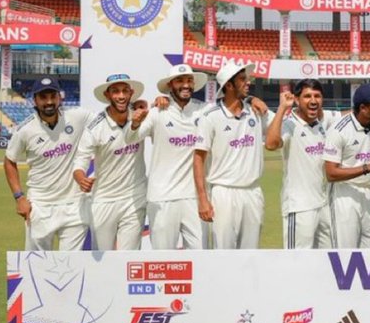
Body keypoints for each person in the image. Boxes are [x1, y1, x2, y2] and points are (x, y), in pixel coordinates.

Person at [3, 76, 91, 251]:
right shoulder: (24, 130)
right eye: (43, 97)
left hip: (74, 205)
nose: (49, 102)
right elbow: (9, 161)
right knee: (37, 266)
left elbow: (109, 118)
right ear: (34, 100)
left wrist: (139, 107)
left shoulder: (77, 117)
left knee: (71, 266)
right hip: (40, 206)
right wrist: (19, 197)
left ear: (60, 97)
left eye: (53, 96)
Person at [194, 61, 270, 250]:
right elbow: (198, 160)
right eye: (243, 79)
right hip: (223, 192)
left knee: (250, 253)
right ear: (228, 85)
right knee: (223, 252)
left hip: (253, 191)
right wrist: (203, 199)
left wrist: (254, 99)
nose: (248, 82)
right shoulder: (210, 117)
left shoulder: (255, 111)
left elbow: (278, 126)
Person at [133, 62, 209, 250]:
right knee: (163, 258)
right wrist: (136, 118)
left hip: (193, 197)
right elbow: (132, 137)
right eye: (180, 81)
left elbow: (228, 108)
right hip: (162, 196)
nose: (185, 85)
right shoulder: (157, 112)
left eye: (189, 80)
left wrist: (249, 100)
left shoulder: (204, 110)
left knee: (201, 256)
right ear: (170, 86)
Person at [73, 73, 149, 251]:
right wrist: (80, 178)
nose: (121, 96)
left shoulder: (141, 116)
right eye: (115, 91)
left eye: (124, 91)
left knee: (128, 259)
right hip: (104, 199)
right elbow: (80, 161)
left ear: (131, 93)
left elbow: (161, 113)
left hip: (134, 198)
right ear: (107, 95)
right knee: (103, 258)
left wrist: (162, 100)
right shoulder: (95, 127)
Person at [324, 83, 370, 248]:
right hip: (344, 194)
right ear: (363, 108)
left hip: (369, 194)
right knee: (345, 253)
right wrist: (368, 168)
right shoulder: (338, 130)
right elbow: (331, 173)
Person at [265, 78, 333, 250]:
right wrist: (282, 108)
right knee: (296, 263)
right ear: (296, 99)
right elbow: (271, 144)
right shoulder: (290, 124)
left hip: (323, 205)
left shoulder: (322, 123)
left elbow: (349, 115)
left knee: (326, 262)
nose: (313, 101)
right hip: (299, 207)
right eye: (307, 96)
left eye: (317, 96)